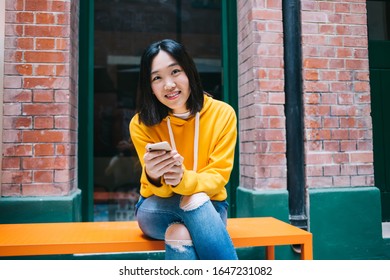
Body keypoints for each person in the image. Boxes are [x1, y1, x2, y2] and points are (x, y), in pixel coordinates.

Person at [129, 39, 238, 260]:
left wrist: (183, 181)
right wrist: (153, 175)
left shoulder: (223, 114)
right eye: (157, 78)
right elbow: (156, 190)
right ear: (149, 86)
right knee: (192, 200)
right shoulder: (140, 124)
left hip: (211, 206)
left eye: (175, 71)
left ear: (189, 72)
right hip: (155, 208)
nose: (168, 84)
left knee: (182, 228)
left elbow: (218, 176)